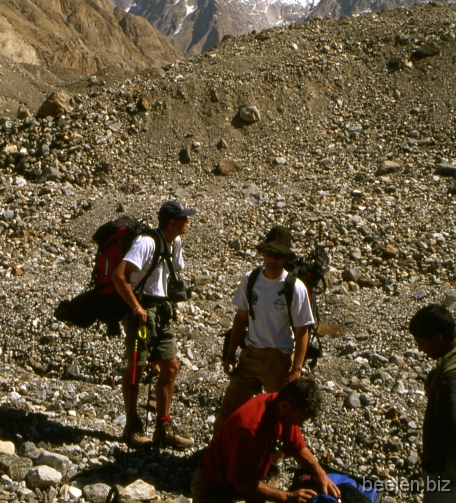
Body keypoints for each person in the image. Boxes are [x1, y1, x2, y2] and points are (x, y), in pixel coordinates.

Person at [213, 225, 314, 435]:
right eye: (269, 252)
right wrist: (230, 355)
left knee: (280, 419)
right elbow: (240, 318)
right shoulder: (250, 279)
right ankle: (215, 460)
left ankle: (272, 463)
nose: (272, 258)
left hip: (279, 361)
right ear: (263, 252)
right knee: (226, 416)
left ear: (286, 257)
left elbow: (302, 331)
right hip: (250, 356)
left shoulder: (295, 288)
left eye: (278, 254)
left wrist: (296, 370)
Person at [113, 200, 195, 448]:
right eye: (184, 219)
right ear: (172, 222)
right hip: (142, 310)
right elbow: (119, 275)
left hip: (162, 309)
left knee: (170, 367)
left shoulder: (175, 242)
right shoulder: (146, 243)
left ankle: (163, 426)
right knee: (137, 367)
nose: (188, 223)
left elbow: (174, 270)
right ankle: (132, 425)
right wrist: (136, 307)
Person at [192, 377, 340, 503]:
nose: (300, 425)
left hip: (248, 478)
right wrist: (287, 497)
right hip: (214, 487)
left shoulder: (280, 408)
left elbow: (297, 447)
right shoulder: (249, 430)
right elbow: (241, 483)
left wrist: (320, 473)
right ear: (285, 406)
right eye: (300, 419)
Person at [409, 304, 456, 501]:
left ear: (438, 339)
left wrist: (431, 462)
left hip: (446, 475)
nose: (419, 349)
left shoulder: (450, 379)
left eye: (421, 342)